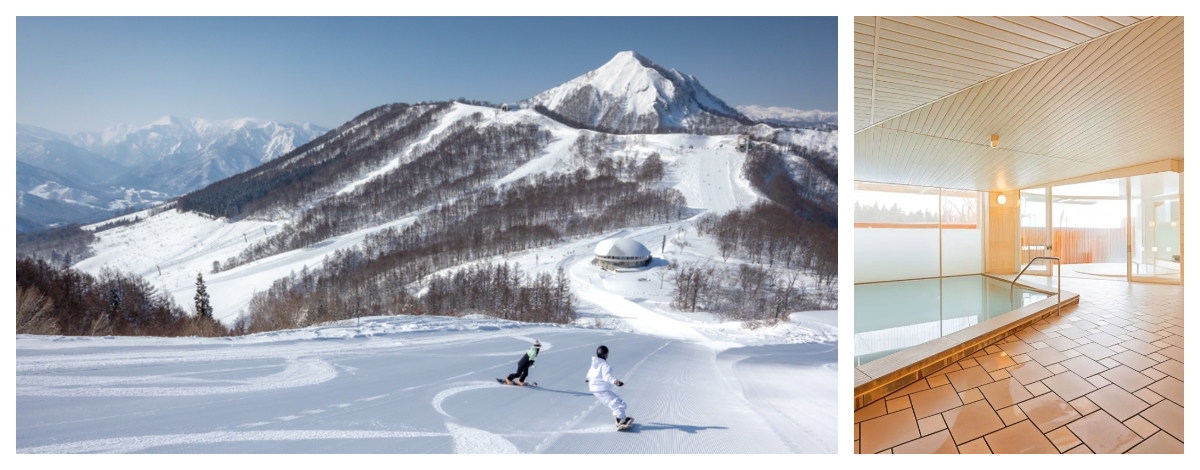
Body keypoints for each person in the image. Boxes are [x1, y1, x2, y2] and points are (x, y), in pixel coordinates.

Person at [586, 345, 632, 427]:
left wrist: (587, 378)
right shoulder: (604, 365)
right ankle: (620, 420)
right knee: (618, 403)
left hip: (594, 388)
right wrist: (615, 381)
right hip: (601, 388)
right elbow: (606, 377)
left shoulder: (595, 364)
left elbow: (590, 373)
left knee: (613, 403)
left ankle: (622, 418)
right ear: (606, 354)